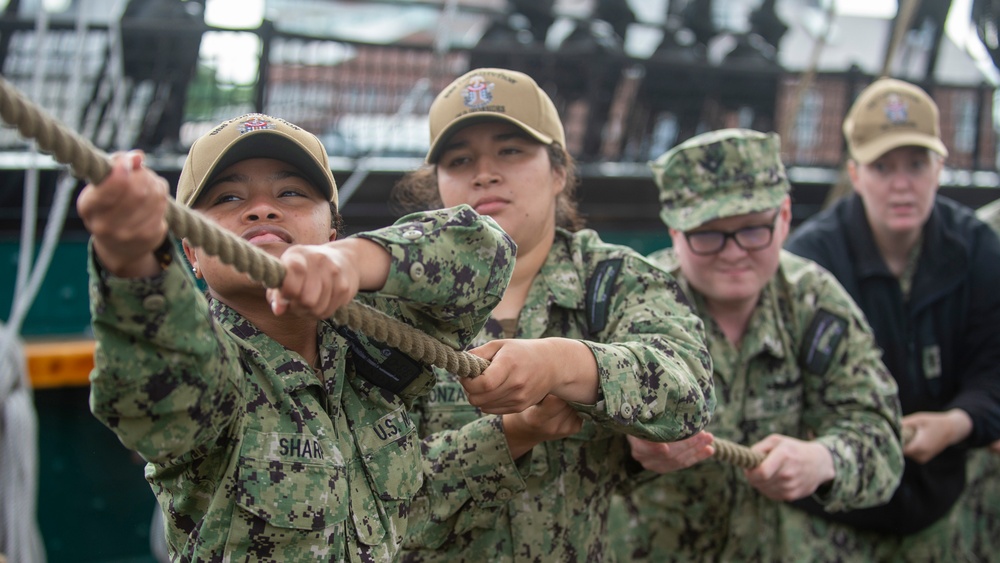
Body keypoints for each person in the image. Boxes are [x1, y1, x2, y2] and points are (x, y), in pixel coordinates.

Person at [76, 113, 517, 561]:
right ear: (191, 251)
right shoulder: (215, 367)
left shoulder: (374, 339)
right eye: (228, 197)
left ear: (331, 232)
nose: (262, 209)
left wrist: (356, 261)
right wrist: (131, 257)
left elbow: (486, 250)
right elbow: (162, 391)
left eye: (291, 192)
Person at [390, 67, 715, 561]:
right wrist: (511, 436)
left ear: (559, 170)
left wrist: (565, 364)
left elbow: (689, 391)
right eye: (460, 159)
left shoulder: (611, 280)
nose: (485, 173)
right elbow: (376, 500)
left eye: (511, 150)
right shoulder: (398, 304)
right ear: (437, 187)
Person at [611, 128, 904, 561]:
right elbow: (571, 444)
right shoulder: (635, 301)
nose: (733, 253)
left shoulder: (813, 301)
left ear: (784, 217)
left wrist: (823, 460)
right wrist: (632, 449)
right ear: (674, 231)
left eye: (752, 231)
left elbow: (880, 438)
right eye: (708, 234)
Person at [786, 77, 1000, 560]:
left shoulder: (978, 251)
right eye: (882, 167)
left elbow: (993, 367)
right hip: (831, 519)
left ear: (940, 169)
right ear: (856, 174)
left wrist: (958, 422)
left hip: (938, 512)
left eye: (916, 165)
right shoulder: (809, 263)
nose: (901, 184)